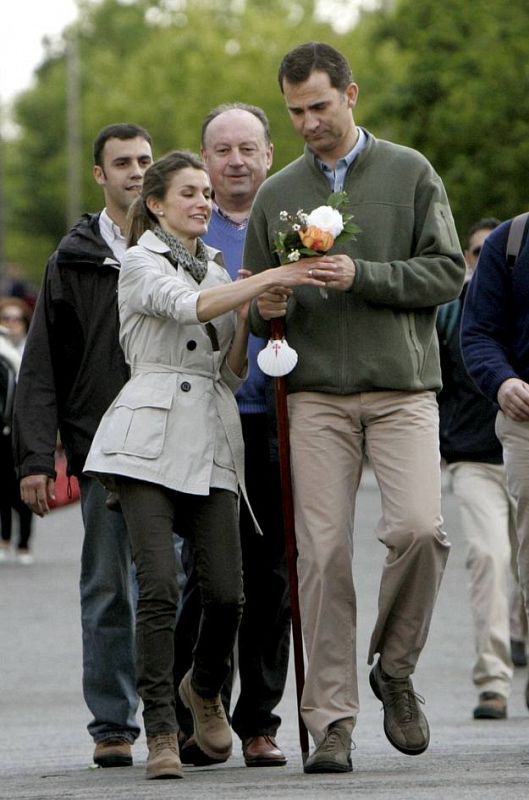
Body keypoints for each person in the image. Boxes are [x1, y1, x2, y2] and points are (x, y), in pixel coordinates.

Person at [244, 41, 466, 773]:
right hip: (312, 397)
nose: (308, 122)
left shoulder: (409, 172)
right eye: (295, 111)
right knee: (322, 553)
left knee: (418, 531)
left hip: (401, 387)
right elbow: (253, 300)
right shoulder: (277, 192)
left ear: (350, 95)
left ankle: (393, 668)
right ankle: (331, 720)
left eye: (318, 106)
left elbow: (444, 273)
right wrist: (266, 300)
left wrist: (362, 273)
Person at [83, 150, 327, 781]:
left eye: (206, 194)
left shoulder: (218, 266)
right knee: (160, 587)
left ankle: (206, 687)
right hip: (146, 439)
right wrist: (275, 278)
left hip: (213, 436)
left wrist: (258, 314)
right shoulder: (139, 262)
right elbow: (188, 308)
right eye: (188, 193)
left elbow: (231, 367)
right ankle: (163, 730)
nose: (203, 202)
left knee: (227, 592)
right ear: (157, 205)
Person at [12, 123, 154, 767]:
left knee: (183, 587)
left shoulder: (181, 243)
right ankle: (113, 726)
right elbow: (40, 368)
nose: (135, 171)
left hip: (181, 444)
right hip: (102, 450)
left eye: (145, 160)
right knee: (108, 589)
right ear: (99, 175)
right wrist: (36, 459)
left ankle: (179, 713)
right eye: (121, 162)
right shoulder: (71, 257)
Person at [171, 103, 290, 769]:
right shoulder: (184, 226)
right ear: (205, 158)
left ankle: (258, 723)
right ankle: (197, 705)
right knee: (208, 575)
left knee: (272, 574)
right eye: (222, 149)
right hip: (206, 422)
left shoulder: (296, 220)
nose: (236, 159)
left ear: (269, 154)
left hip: (282, 419)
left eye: (248, 147)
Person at [437, 217, 526, 719]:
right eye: (474, 252)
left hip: (520, 452)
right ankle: (493, 680)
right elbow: (435, 381)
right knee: (490, 560)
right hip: (475, 458)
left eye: (485, 253)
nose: (479, 261)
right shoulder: (453, 315)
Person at [461, 212, 529, 716]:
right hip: (507, 435)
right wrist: (502, 381)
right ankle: (496, 677)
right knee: (501, 557)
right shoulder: (512, 243)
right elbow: (478, 334)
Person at [0, 297, 35, 563]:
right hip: (3, 427)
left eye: (16, 319)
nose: (11, 324)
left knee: (25, 482)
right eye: (6, 318)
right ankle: (4, 538)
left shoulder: (32, 352)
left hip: (27, 427)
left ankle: (24, 542)